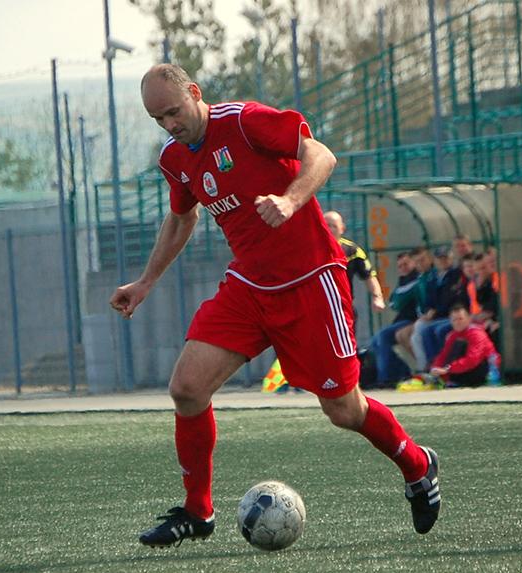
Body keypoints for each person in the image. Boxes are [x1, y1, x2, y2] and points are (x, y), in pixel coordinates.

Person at [111, 64, 441, 547]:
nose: (169, 124)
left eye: (173, 112)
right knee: (186, 388)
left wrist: (289, 201)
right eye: (158, 119)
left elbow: (321, 155)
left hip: (312, 281)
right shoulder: (174, 157)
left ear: (195, 93)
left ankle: (417, 464)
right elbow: (182, 217)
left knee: (344, 410)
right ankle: (198, 512)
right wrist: (145, 282)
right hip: (249, 286)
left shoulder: (244, 121)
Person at [323, 210, 385, 324]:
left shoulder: (352, 251)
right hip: (317, 307)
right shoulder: (309, 250)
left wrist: (377, 297)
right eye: (327, 225)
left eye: (334, 226)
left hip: (343, 307)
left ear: (342, 229)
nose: (330, 229)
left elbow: (369, 276)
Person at [371, 252, 419, 387]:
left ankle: (385, 378)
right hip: (400, 321)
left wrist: (400, 299)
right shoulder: (402, 281)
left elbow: (397, 302)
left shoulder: (417, 278)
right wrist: (400, 299)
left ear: (413, 263)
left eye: (406, 264)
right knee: (375, 341)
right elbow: (393, 303)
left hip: (412, 320)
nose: (403, 268)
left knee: (383, 336)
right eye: (400, 266)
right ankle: (403, 371)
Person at [429, 304, 498, 388]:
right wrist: (435, 368)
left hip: (487, 371)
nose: (457, 322)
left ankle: (456, 380)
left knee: (460, 345)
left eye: (460, 319)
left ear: (469, 318)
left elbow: (473, 359)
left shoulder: (476, 334)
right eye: (454, 320)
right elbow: (444, 355)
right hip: (464, 369)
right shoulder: (453, 335)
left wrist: (447, 369)